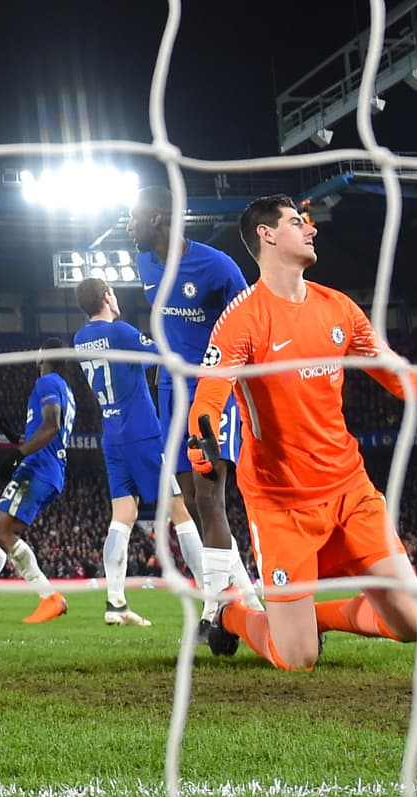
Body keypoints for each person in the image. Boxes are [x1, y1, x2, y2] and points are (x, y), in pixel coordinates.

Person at [192, 193, 417, 671]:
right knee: (297, 658)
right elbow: (209, 395)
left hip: (350, 492)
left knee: (412, 625)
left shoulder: (341, 310)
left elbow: (402, 379)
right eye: (295, 222)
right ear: (266, 235)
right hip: (282, 502)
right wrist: (202, 439)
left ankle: (309, 617)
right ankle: (235, 612)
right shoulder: (242, 318)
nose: (312, 229)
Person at [129, 185, 259, 638]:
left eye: (135, 218)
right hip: (170, 392)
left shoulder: (217, 267)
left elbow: (250, 325)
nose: (129, 227)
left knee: (210, 496)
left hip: (213, 390)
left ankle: (211, 614)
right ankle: (251, 601)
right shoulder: (144, 263)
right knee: (194, 503)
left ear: (160, 219)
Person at [73, 276, 232, 626]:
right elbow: (162, 356)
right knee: (180, 511)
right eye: (112, 293)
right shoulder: (122, 332)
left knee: (123, 515)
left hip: (111, 435)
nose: (116, 299)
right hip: (142, 434)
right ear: (106, 296)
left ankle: (115, 603)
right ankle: (211, 596)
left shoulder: (80, 339)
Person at [0, 339, 75, 623]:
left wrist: (17, 455)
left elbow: (52, 426)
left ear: (42, 357)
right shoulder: (64, 388)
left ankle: (49, 596)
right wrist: (17, 439)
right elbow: (47, 432)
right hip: (48, 470)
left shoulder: (48, 382)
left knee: (1, 532)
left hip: (37, 469)